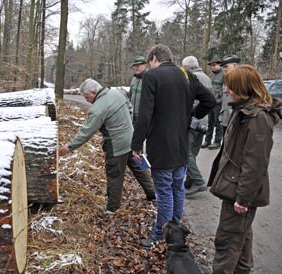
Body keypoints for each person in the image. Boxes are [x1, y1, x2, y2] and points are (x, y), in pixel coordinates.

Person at [131, 44, 215, 247]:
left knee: (165, 192)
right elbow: (210, 100)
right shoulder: (187, 75)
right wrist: (193, 115)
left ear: (153, 59)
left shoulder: (152, 77)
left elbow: (145, 114)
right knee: (177, 188)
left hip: (161, 147)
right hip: (181, 146)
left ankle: (160, 234)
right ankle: (175, 230)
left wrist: (136, 144)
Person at [207, 65, 282, 274]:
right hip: (235, 187)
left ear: (241, 87)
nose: (226, 90)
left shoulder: (257, 118)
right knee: (241, 238)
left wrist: (244, 197)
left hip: (238, 192)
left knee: (227, 242)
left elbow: (256, 164)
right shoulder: (244, 111)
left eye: (229, 86)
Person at [59, 78, 133, 213]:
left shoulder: (98, 108)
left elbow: (86, 131)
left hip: (116, 145)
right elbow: (130, 108)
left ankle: (112, 208)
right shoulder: (117, 93)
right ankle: (151, 193)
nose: (86, 100)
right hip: (130, 138)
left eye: (87, 97)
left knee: (114, 176)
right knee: (138, 168)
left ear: (94, 91)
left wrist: (69, 146)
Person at [181, 56, 212, 196]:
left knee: (186, 151)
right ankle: (190, 181)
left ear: (187, 67)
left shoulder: (193, 78)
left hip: (195, 121)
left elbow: (197, 100)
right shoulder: (206, 77)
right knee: (193, 151)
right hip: (204, 121)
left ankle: (198, 181)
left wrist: (192, 114)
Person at [127, 56, 156, 201]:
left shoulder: (150, 78)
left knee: (147, 143)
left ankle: (149, 174)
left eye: (139, 65)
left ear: (145, 65)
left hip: (146, 117)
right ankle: (143, 169)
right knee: (137, 146)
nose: (137, 68)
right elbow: (130, 96)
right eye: (135, 66)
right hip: (133, 116)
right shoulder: (134, 80)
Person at [201, 56, 224, 150]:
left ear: (219, 65)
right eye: (211, 65)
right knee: (210, 123)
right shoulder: (211, 75)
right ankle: (207, 140)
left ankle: (217, 142)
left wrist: (219, 99)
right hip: (211, 103)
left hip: (218, 103)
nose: (212, 67)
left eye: (214, 65)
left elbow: (225, 90)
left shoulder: (224, 75)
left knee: (218, 123)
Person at [219, 54, 240, 135]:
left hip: (235, 120)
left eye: (226, 66)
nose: (224, 69)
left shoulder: (240, 80)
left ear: (235, 65)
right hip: (226, 118)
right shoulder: (227, 79)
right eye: (223, 67)